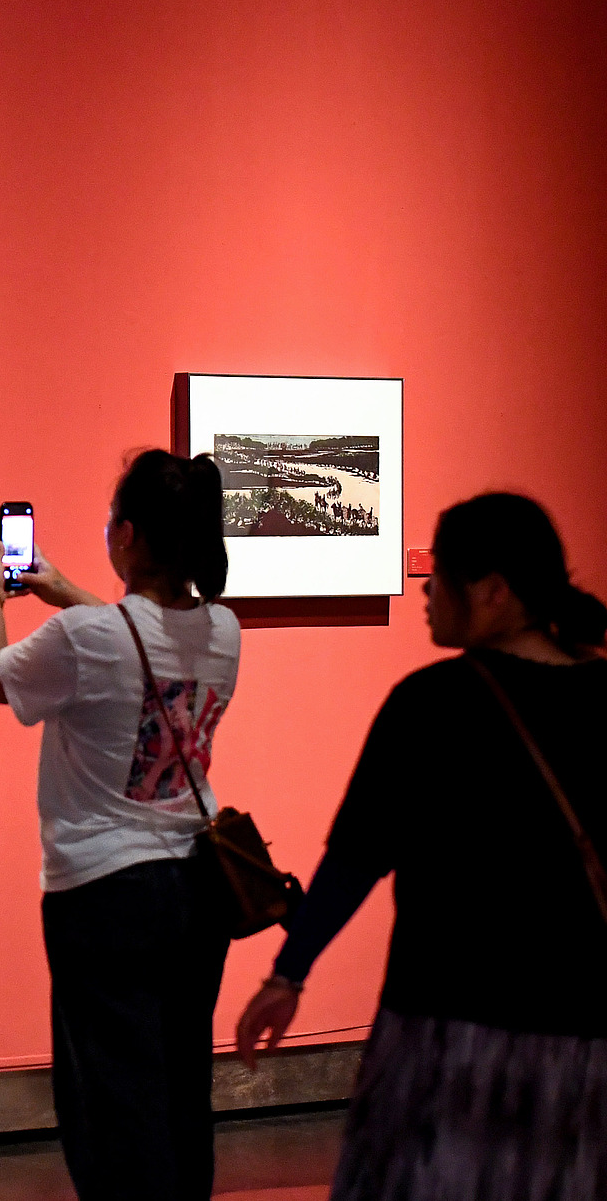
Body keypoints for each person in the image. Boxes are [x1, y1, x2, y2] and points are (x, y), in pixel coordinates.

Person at [234, 492, 607, 1200]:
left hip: (447, 1036)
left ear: (494, 593)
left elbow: (354, 860)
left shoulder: (432, 703)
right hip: (582, 1041)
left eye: (441, 577)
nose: (426, 592)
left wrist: (288, 974)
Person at [0, 450, 241, 1201]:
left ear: (127, 534)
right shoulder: (224, 630)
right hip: (197, 889)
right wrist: (60, 590)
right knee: (181, 1081)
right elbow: (129, 639)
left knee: (113, 1101)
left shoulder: (86, 639)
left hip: (104, 893)